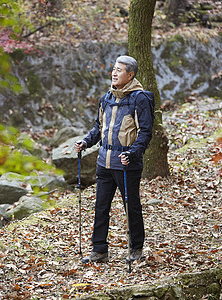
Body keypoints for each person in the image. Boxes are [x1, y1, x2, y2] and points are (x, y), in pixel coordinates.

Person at [74, 55, 154, 263]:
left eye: (119, 70)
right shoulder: (106, 98)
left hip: (127, 164)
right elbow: (99, 129)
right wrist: (85, 142)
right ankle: (99, 251)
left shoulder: (140, 99)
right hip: (105, 162)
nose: (114, 73)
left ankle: (136, 249)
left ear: (130, 75)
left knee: (132, 207)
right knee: (101, 207)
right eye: (114, 69)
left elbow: (145, 133)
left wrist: (132, 153)